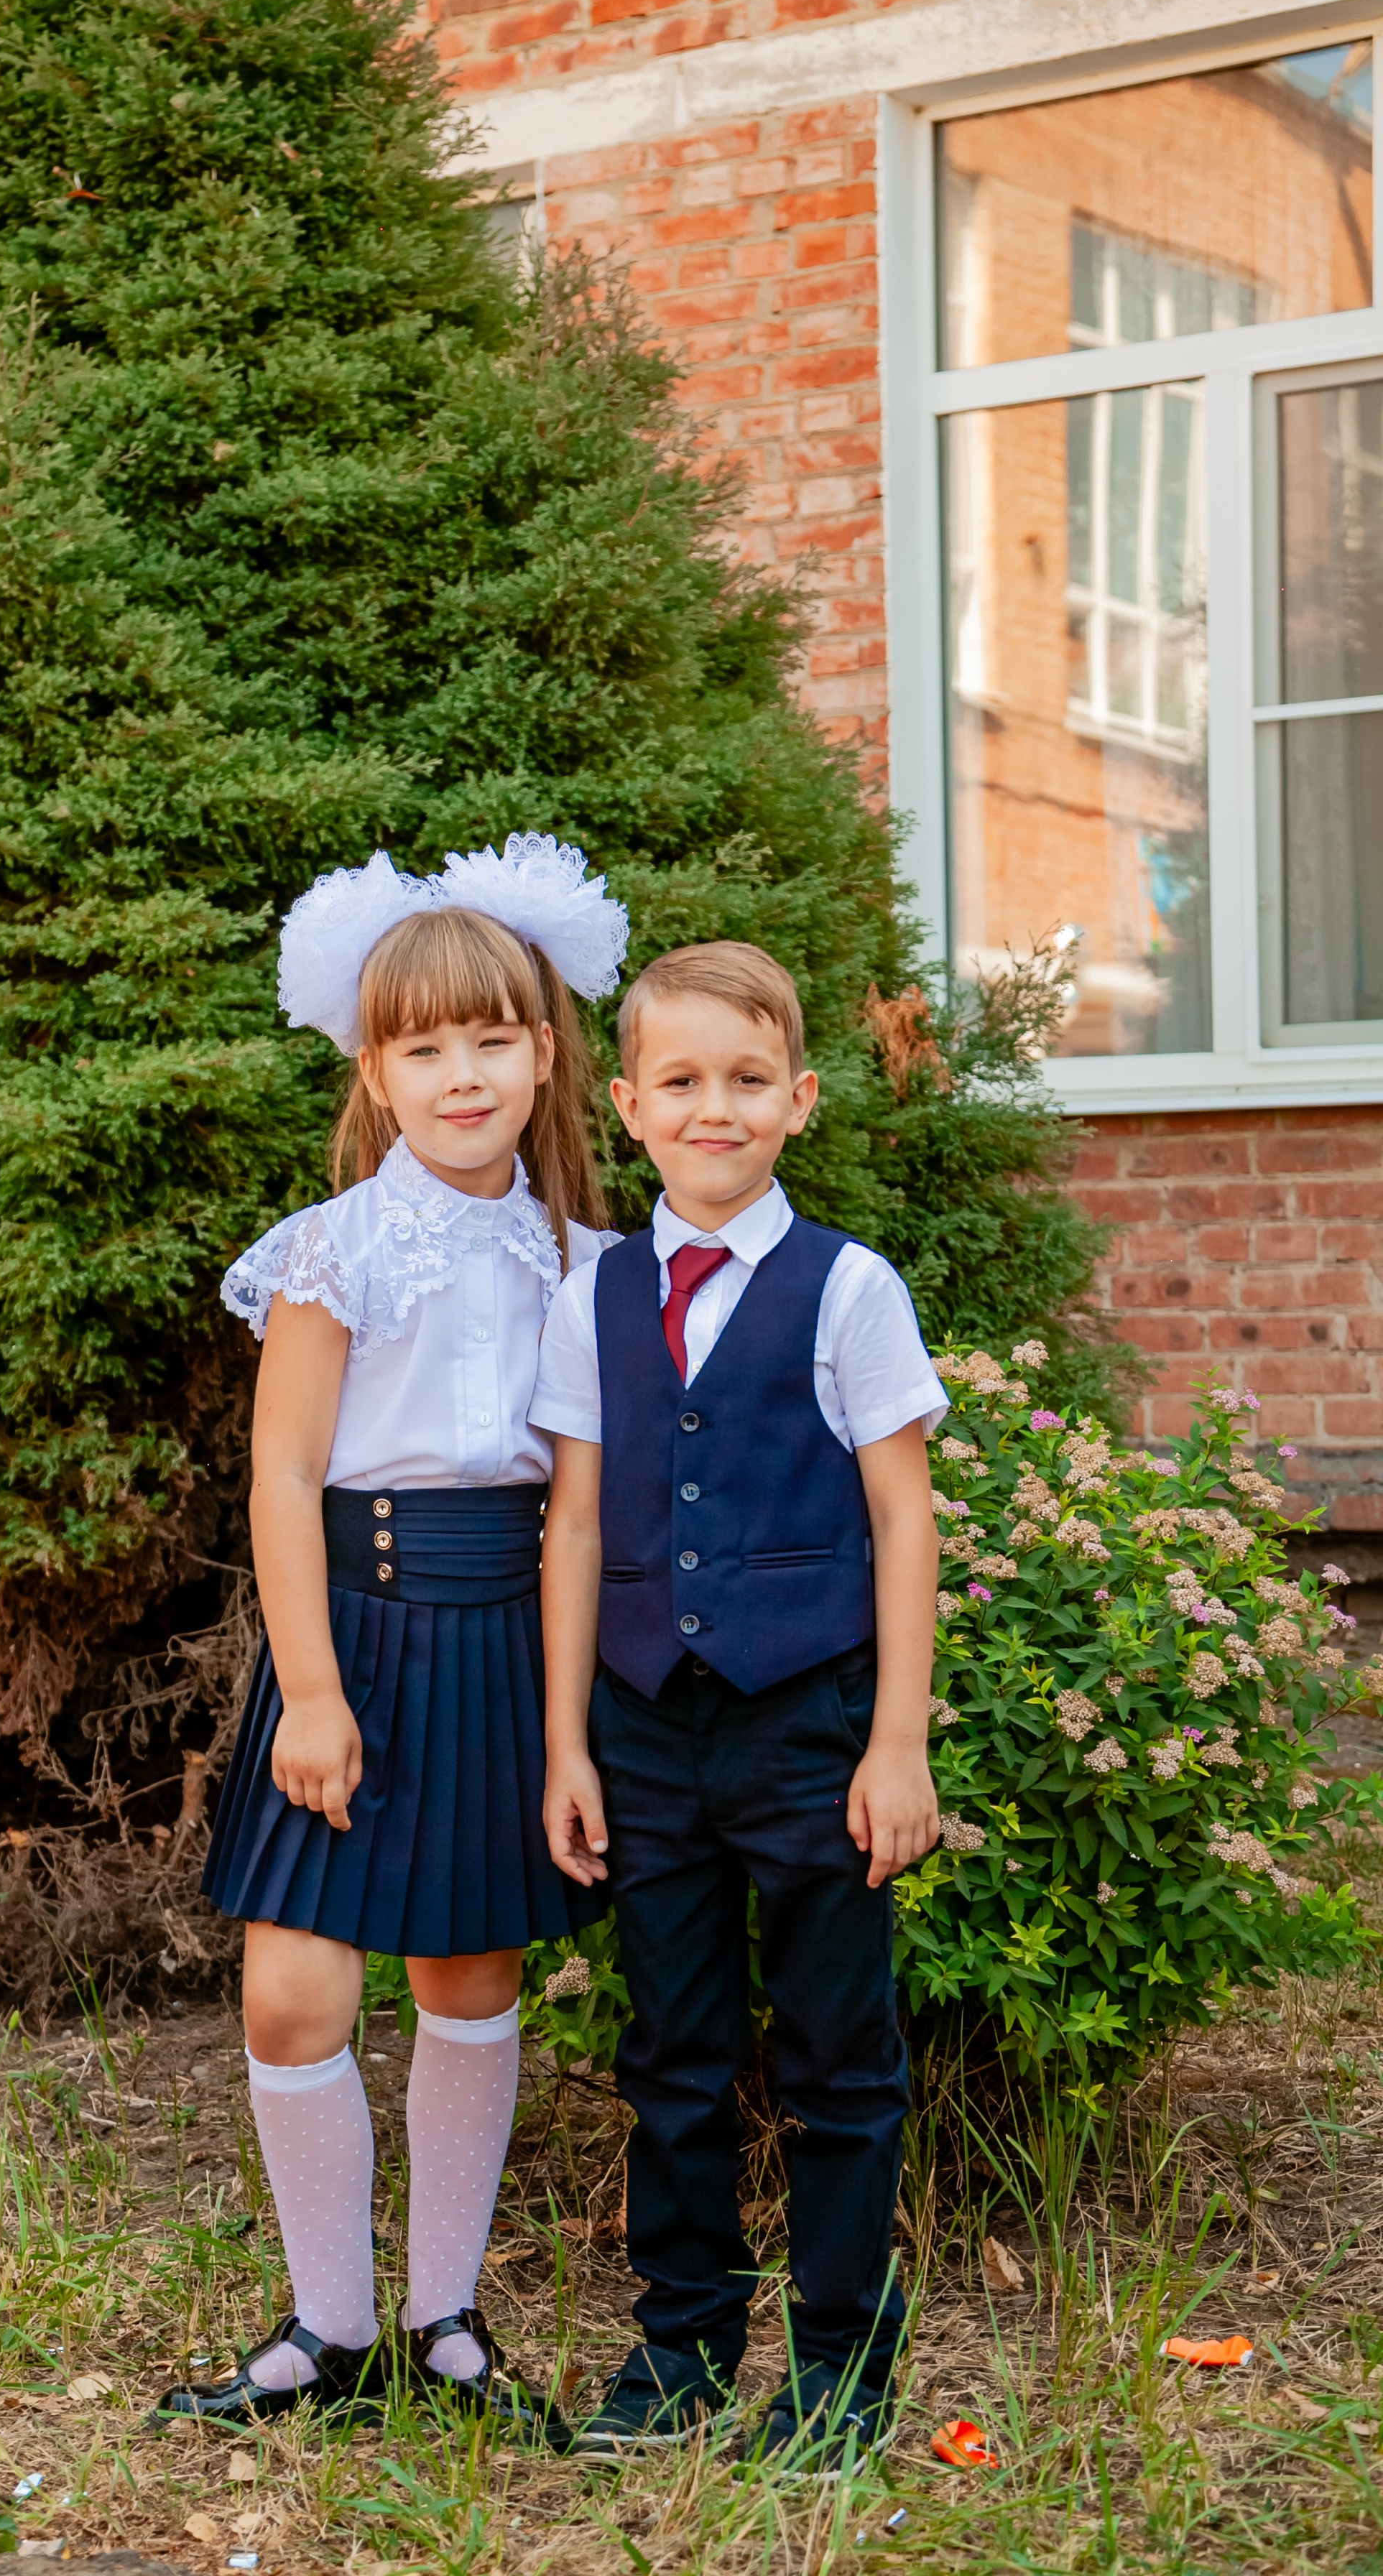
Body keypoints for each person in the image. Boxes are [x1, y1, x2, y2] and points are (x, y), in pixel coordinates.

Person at [158, 835, 625, 2440]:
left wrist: (569, 1726)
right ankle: (325, 2329)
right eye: (422, 1046)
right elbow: (281, 1472)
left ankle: (441, 2321)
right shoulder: (329, 1247)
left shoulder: (585, 1265)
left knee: (464, 1972)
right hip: (347, 1629)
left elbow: (578, 1510)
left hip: (497, 1635)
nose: (460, 1072)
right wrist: (307, 1689)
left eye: (491, 1038)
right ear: (375, 1067)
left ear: (544, 1050)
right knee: (292, 1987)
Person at [532, 940, 944, 2468]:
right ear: (630, 1105)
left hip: (807, 1725)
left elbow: (902, 1518)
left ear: (797, 1100)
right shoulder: (594, 1292)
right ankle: (681, 2348)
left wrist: (893, 1740)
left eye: (747, 1082)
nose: (716, 1109)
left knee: (839, 2050)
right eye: (683, 1083)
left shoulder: (847, 1288)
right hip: (642, 1727)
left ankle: (840, 2366)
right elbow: (572, 1524)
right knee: (672, 2052)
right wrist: (568, 1737)